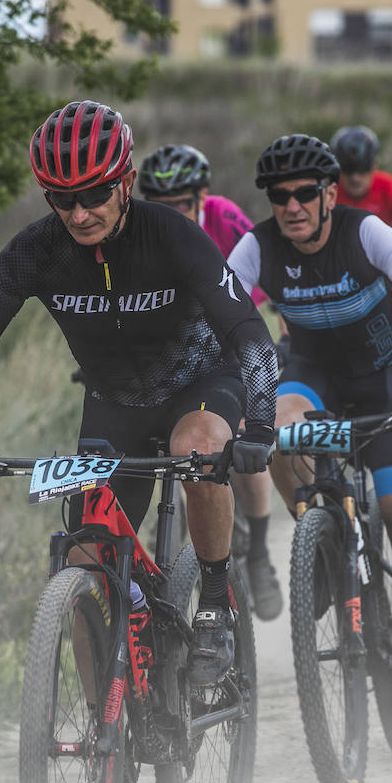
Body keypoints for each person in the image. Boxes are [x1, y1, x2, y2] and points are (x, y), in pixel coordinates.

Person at [0, 100, 279, 686]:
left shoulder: (172, 235)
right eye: (63, 200)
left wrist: (259, 427)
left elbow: (248, 333)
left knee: (199, 448)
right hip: (114, 403)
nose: (80, 214)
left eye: (94, 195)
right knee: (85, 567)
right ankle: (100, 748)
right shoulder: (37, 250)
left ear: (126, 182)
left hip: (201, 384)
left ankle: (214, 597)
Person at [227, 133, 392, 732]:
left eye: (306, 193)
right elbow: (215, 312)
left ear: (330, 193)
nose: (293, 206)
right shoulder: (257, 246)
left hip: (385, 378)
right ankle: (318, 531)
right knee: (273, 427)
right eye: (280, 196)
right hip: (312, 377)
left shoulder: (366, 233)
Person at [136, 143, 283, 620]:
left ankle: (258, 552)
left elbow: (255, 286)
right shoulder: (140, 232)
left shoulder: (225, 219)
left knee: (240, 438)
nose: (171, 213)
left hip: (229, 342)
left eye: (180, 203)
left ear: (201, 196)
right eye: (160, 202)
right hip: (171, 356)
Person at [330, 125, 392, 260]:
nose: (355, 177)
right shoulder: (328, 193)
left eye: (363, 168)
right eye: (348, 169)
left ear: (375, 165)